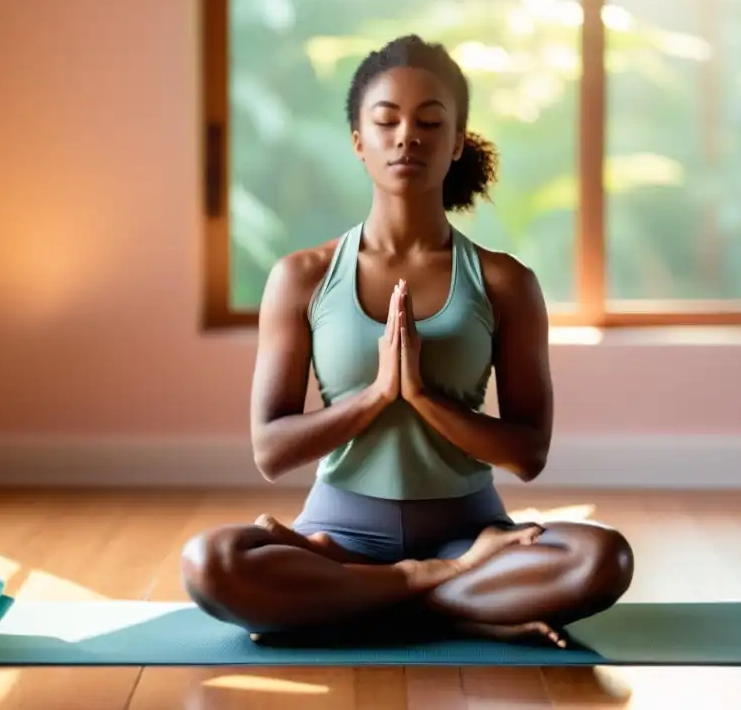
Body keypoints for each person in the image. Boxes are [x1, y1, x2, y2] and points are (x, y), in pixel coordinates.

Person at [182, 34, 634, 647]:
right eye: (386, 120)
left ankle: (364, 596)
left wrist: (421, 395)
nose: (406, 136)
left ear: (456, 144)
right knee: (211, 563)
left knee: (601, 558)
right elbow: (271, 451)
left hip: (471, 533)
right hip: (337, 538)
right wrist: (377, 395)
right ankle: (448, 593)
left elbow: (528, 454)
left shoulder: (505, 282)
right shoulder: (303, 277)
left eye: (430, 121)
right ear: (358, 143)